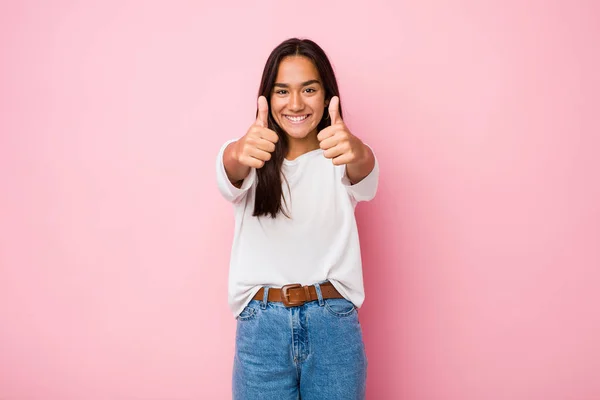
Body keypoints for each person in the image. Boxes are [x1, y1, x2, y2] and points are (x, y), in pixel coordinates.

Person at [215, 37, 379, 400]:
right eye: (282, 91)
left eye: (309, 89)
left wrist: (357, 149)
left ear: (327, 96)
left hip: (332, 327)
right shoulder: (250, 157)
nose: (295, 103)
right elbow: (229, 168)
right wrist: (240, 150)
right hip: (261, 330)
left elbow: (365, 171)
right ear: (267, 99)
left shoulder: (343, 156)